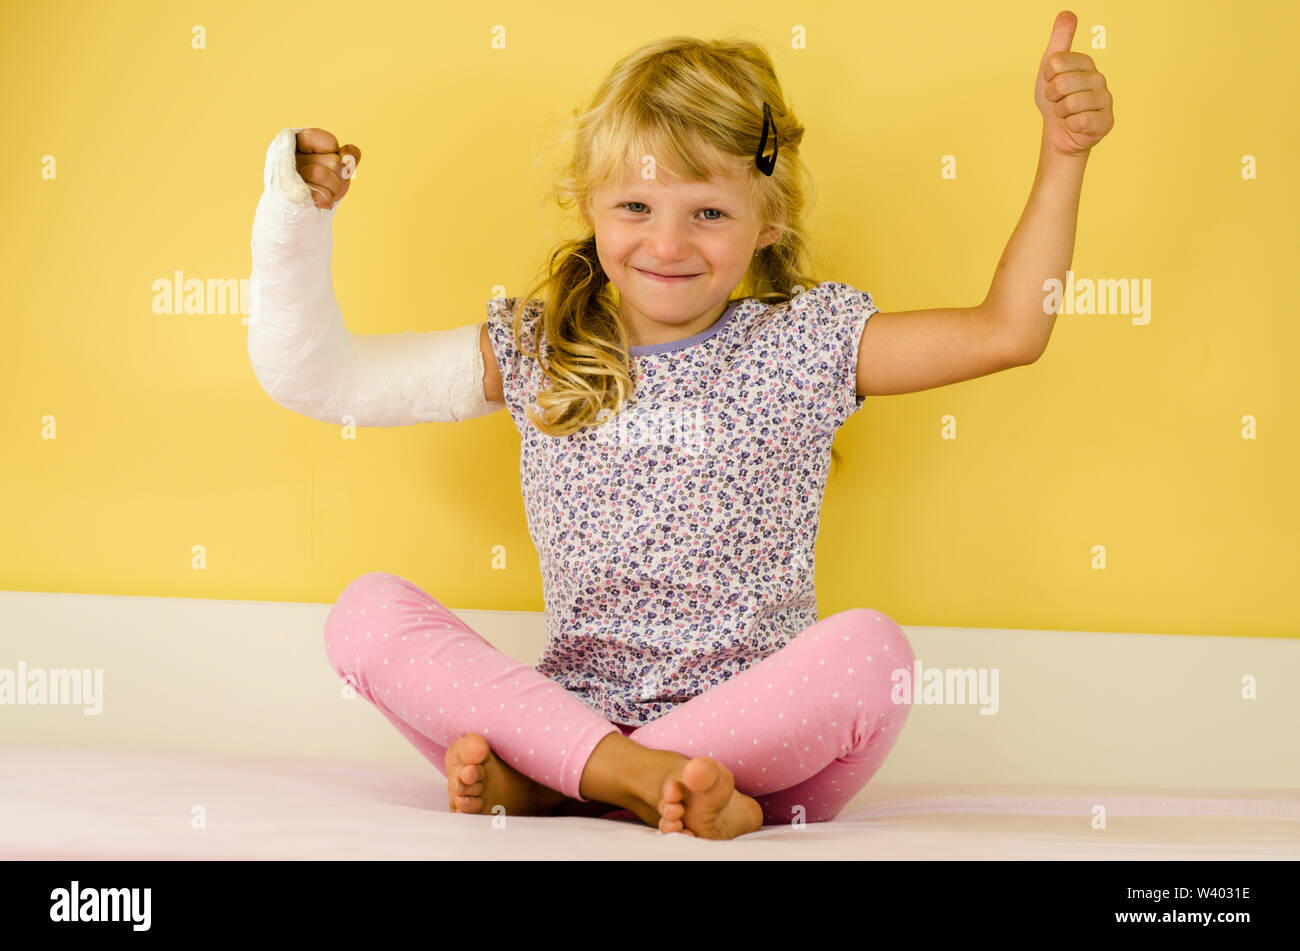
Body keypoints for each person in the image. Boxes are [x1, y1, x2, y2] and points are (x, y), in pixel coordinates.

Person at [249, 20, 1113, 839]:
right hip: (573, 708)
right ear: (589, 204)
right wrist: (294, 213)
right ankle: (649, 782)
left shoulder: (802, 344)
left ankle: (567, 786)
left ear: (767, 223)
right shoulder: (540, 347)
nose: (666, 242)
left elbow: (1010, 329)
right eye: (634, 206)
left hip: (754, 737)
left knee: (871, 653)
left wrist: (1063, 153)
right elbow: (318, 377)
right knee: (365, 614)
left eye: (708, 212)